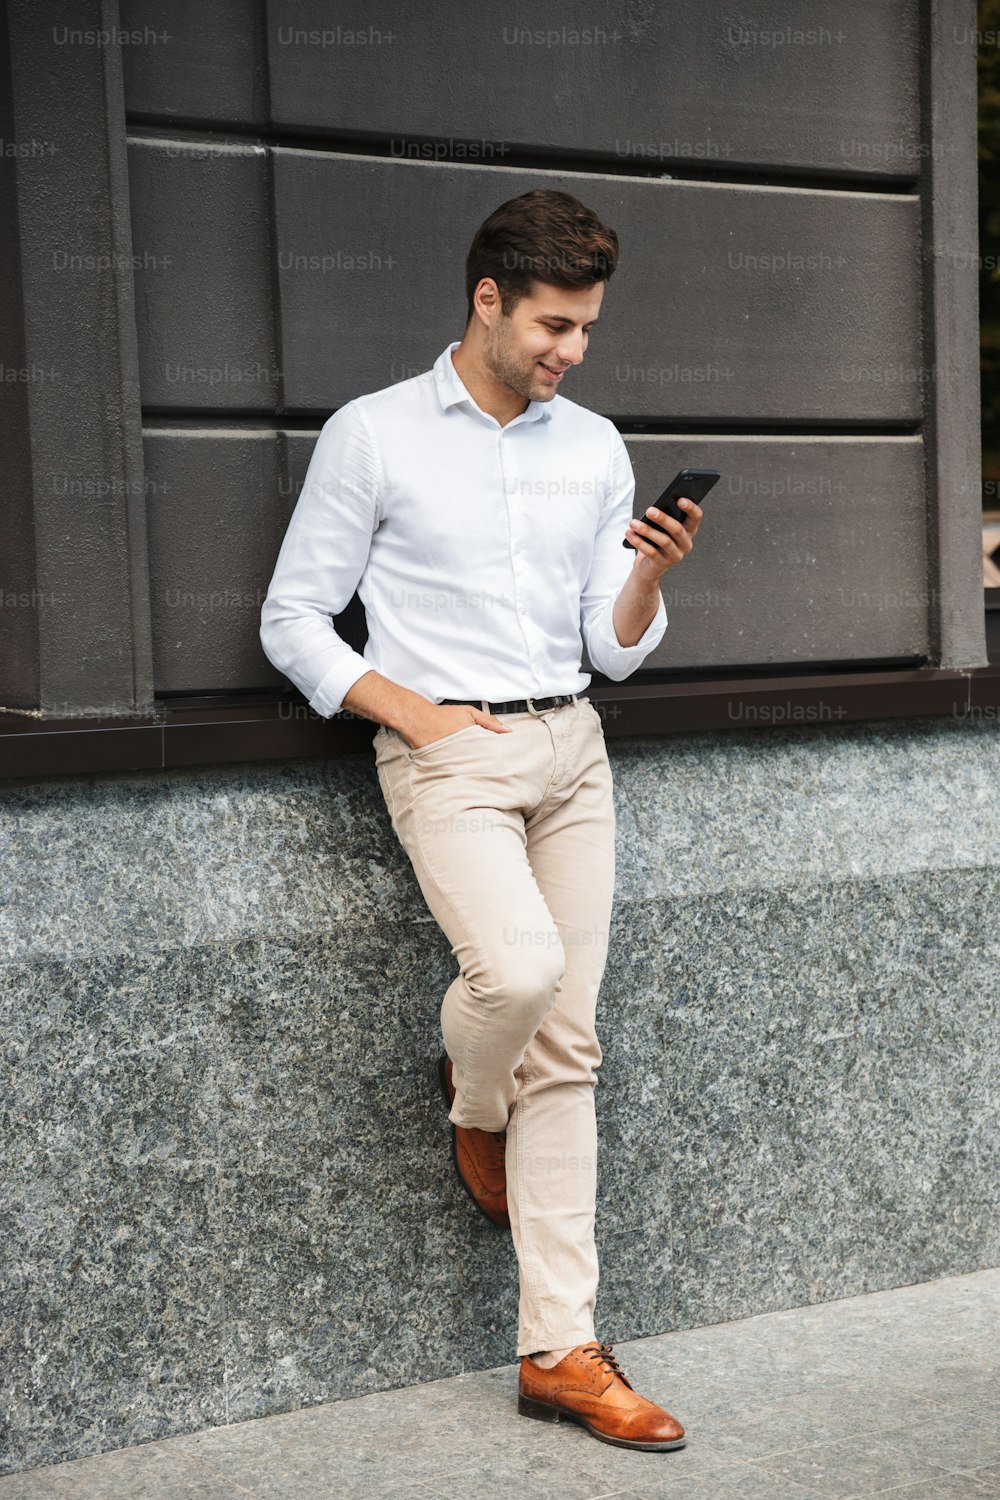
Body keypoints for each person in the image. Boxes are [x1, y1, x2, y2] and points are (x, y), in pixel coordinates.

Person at [259, 188, 702, 1453]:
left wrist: (649, 576)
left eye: (587, 330)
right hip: (449, 754)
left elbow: (607, 650)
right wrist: (417, 714)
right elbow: (294, 619)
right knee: (516, 978)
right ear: (487, 299)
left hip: (573, 745)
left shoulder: (593, 443)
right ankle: (470, 1092)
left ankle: (560, 1349)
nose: (571, 351)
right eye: (554, 324)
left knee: (568, 1046)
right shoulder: (375, 435)